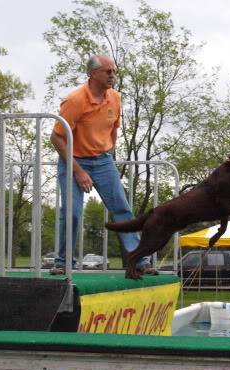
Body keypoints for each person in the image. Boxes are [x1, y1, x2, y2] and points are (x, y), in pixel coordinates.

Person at [49, 54, 150, 275]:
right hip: (73, 160)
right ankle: (63, 261)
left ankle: (139, 258)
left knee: (122, 208)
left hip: (103, 160)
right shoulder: (75, 101)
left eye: (114, 71)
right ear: (93, 74)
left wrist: (108, 154)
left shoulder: (115, 97)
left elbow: (114, 128)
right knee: (73, 212)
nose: (113, 75)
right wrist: (78, 170)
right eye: (108, 71)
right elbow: (56, 138)